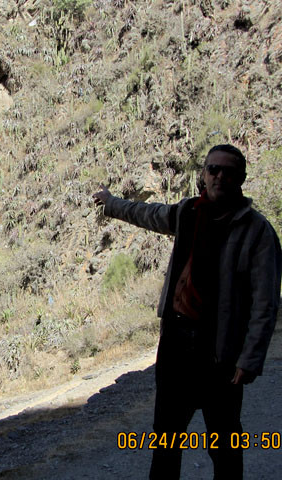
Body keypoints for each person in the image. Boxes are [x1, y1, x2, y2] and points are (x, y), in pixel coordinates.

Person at [92, 144, 281, 479]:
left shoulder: (257, 232)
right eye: (213, 169)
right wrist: (111, 204)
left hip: (220, 353)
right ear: (203, 175)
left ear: (242, 179)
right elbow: (146, 214)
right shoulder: (188, 212)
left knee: (224, 444)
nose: (220, 176)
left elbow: (265, 303)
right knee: (165, 439)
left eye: (229, 171)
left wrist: (249, 359)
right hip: (176, 345)